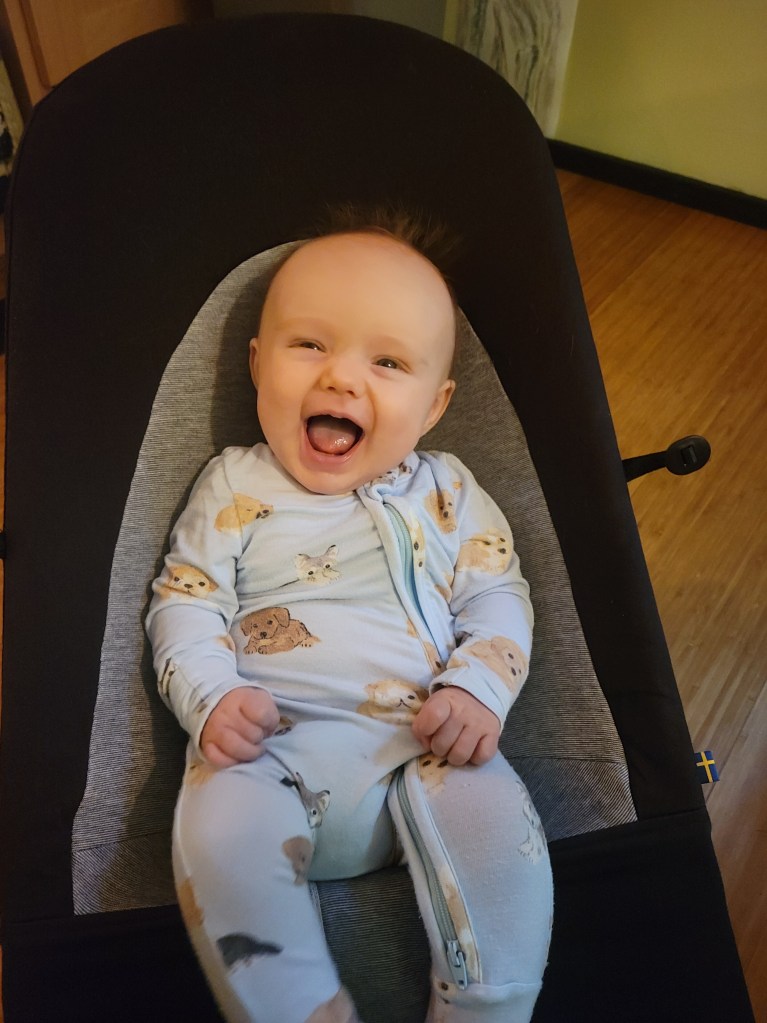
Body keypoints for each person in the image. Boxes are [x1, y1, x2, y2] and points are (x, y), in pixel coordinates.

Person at [145, 208, 553, 1023]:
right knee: (217, 829)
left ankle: (488, 1006)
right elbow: (185, 599)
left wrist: (477, 688)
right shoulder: (236, 484)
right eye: (308, 344)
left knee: (499, 825)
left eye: (387, 361)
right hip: (266, 752)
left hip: (427, 749)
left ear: (433, 406)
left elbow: (497, 595)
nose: (340, 379)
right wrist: (211, 698)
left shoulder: (447, 491)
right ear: (257, 363)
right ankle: (299, 1008)